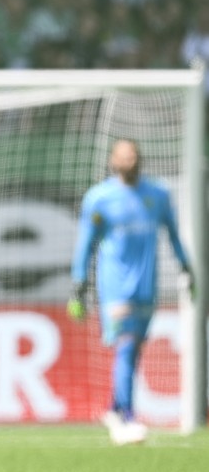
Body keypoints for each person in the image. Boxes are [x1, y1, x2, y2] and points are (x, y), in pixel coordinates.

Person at [67, 139, 193, 446]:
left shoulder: (157, 195)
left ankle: (113, 409)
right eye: (123, 155)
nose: (129, 160)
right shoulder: (99, 198)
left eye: (133, 155)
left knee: (134, 350)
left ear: (140, 158)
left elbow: (173, 235)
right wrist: (79, 285)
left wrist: (187, 269)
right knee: (125, 346)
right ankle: (127, 417)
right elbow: (86, 244)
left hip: (146, 288)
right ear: (113, 160)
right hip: (114, 289)